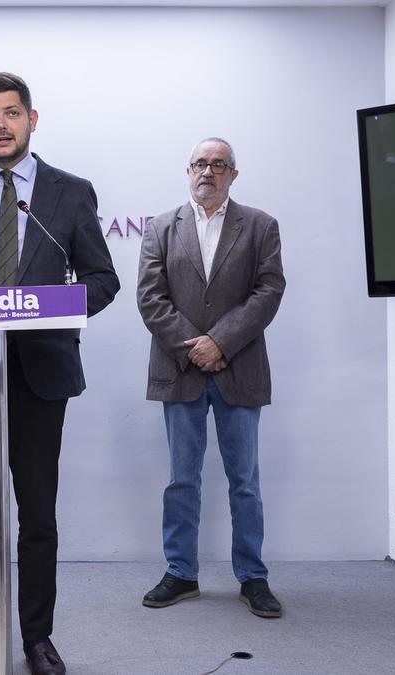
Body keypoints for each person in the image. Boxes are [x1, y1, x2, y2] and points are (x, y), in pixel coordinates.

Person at [0, 72, 120, 675]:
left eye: (11, 113)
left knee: (37, 512)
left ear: (32, 120)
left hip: (39, 370)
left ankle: (36, 638)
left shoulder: (69, 192)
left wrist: (50, 305)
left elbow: (102, 278)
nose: (0, 125)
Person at [136, 137, 286, 618]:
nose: (208, 171)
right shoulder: (160, 228)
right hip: (180, 371)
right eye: (200, 163)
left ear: (233, 175)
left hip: (239, 368)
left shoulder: (260, 225)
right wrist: (196, 347)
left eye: (219, 165)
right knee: (183, 479)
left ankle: (253, 577)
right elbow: (150, 298)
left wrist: (220, 341)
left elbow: (269, 290)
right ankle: (181, 573)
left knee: (245, 480)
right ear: (188, 170)